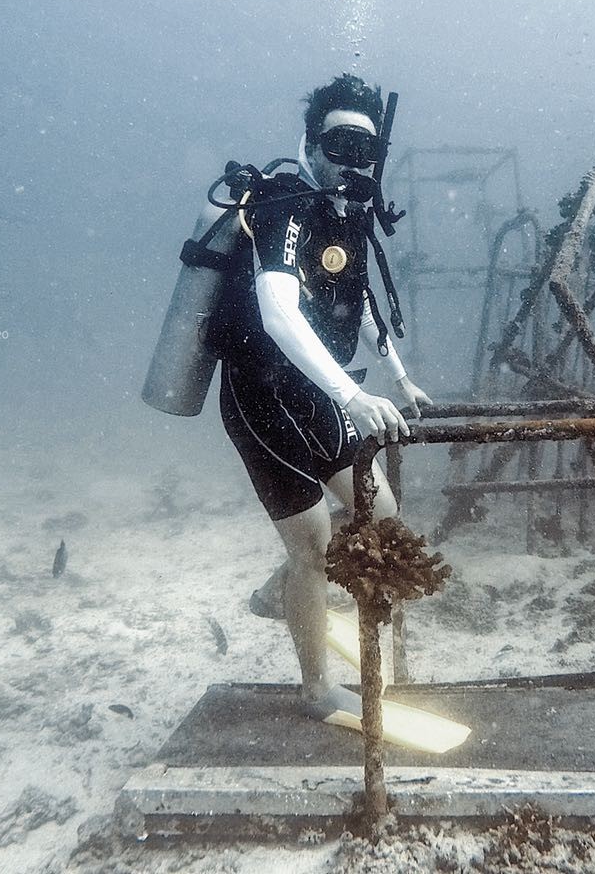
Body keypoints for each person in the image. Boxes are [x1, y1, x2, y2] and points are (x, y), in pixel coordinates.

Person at [207, 73, 432, 725]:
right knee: (311, 544)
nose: (350, 162)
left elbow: (355, 299)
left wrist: (399, 375)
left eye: (364, 150)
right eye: (337, 144)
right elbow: (278, 311)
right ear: (310, 144)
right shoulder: (283, 201)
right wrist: (350, 393)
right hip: (258, 393)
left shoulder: (348, 214)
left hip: (311, 393)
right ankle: (314, 691)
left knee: (380, 513)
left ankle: (280, 592)